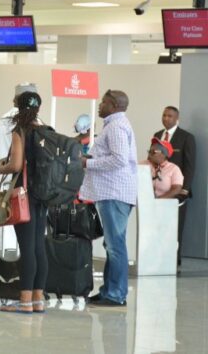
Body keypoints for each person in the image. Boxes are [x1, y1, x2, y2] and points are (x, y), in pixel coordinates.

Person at [81, 90, 138, 307]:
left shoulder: (116, 126)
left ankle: (116, 294)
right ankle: (108, 291)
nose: (99, 105)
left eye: (103, 102)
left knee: (115, 246)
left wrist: (88, 163)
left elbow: (119, 160)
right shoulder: (115, 125)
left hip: (114, 193)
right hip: (113, 192)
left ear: (113, 105)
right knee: (112, 244)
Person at [0, 91, 48, 314]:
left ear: (17, 106)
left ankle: (24, 300)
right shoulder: (47, 130)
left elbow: (16, 165)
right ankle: (38, 299)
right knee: (38, 247)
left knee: (26, 248)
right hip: (44, 194)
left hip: (25, 195)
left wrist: (0, 168)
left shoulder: (20, 131)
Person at [0, 83, 37, 283]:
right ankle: (28, 283)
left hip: (8, 186)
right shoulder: (39, 123)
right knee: (29, 241)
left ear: (15, 100)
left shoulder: (6, 122)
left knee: (0, 229)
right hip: (32, 189)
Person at [154, 106, 196, 267]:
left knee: (176, 226)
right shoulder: (157, 136)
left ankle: (174, 260)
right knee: (158, 226)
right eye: (164, 115)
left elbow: (190, 166)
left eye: (170, 116)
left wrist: (185, 189)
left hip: (177, 191)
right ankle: (158, 258)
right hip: (158, 192)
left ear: (176, 118)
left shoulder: (186, 137)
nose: (166, 118)